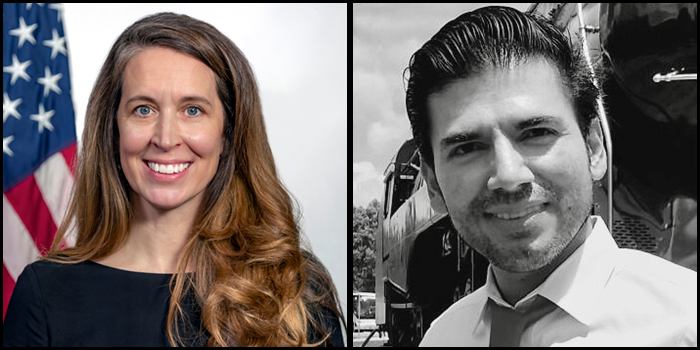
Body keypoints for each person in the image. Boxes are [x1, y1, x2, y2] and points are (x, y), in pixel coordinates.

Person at [3, 12, 345, 347]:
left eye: (192, 110)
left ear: (228, 134)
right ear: (113, 130)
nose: (166, 139)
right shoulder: (44, 293)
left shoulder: (295, 288)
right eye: (144, 109)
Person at [405, 6, 697, 347]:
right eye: (467, 147)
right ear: (434, 184)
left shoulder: (685, 323)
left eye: (536, 133)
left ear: (594, 148)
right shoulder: (442, 338)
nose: (508, 175)